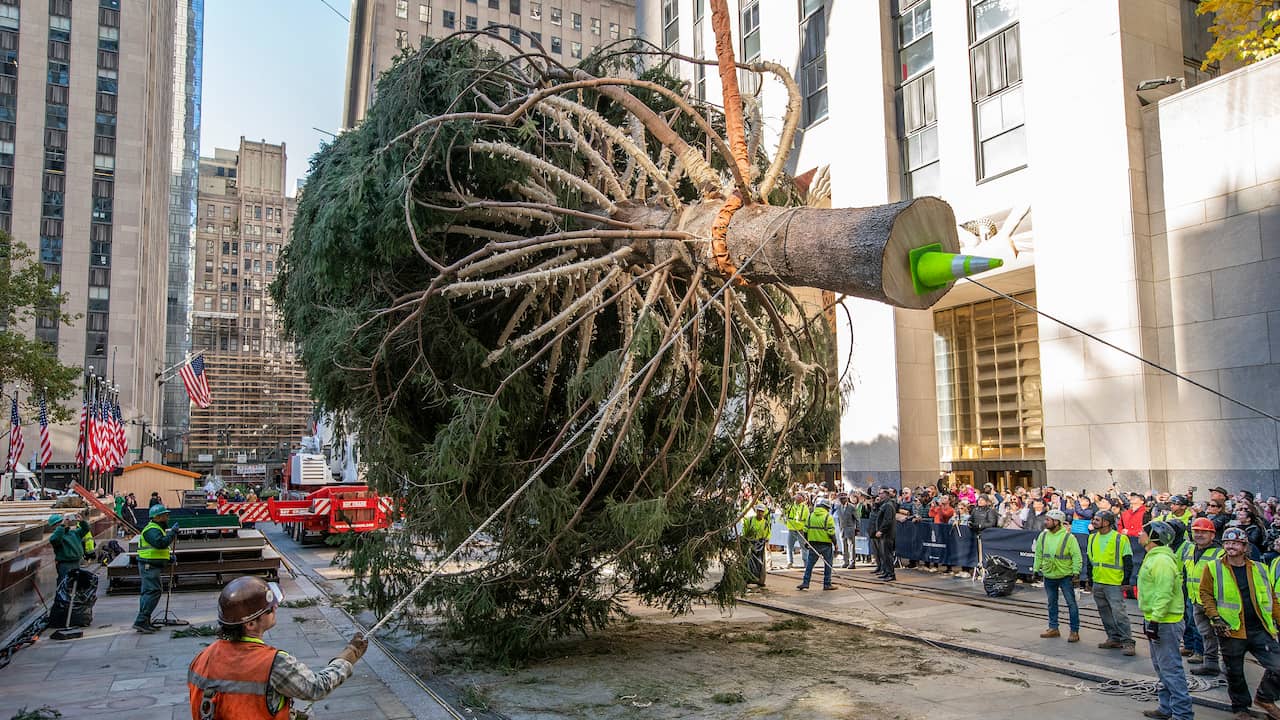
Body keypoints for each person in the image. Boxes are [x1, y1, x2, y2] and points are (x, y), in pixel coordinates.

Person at [188, 576, 367, 719]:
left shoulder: (202, 658)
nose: (275, 607)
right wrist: (349, 656)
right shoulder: (272, 663)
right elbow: (316, 687)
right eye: (270, 608)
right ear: (250, 624)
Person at [1200, 527, 1280, 719]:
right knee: (1234, 672)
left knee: (1278, 665)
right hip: (1231, 629)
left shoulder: (1260, 568)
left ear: (1245, 547)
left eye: (1235, 543)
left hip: (1259, 628)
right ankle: (1241, 708)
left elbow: (1271, 598)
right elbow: (1206, 594)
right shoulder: (1213, 568)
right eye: (1227, 543)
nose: (1230, 546)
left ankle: (1264, 697)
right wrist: (1215, 617)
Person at [1136, 520, 1195, 720]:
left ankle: (1183, 714)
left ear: (1154, 537)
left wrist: (1155, 620)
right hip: (1157, 618)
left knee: (1170, 669)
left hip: (1164, 621)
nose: (1139, 534)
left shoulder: (1161, 560)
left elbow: (1164, 592)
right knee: (1161, 667)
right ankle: (1166, 707)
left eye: (1143, 532)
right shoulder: (1154, 557)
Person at [1086, 510, 1136, 655]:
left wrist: (1126, 581)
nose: (1093, 522)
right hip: (1098, 580)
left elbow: (1128, 561)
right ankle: (1113, 637)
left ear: (1106, 522)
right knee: (1104, 612)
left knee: (1119, 613)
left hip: (1114, 582)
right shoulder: (1092, 538)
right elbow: (1090, 561)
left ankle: (1127, 641)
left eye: (1097, 519)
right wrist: (1090, 580)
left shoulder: (1120, 539)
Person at [1033, 509, 1082, 643]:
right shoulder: (1043, 536)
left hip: (1065, 575)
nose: (1045, 522)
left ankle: (1074, 631)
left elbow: (1076, 556)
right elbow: (1038, 554)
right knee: (1051, 603)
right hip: (1049, 574)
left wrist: (1076, 572)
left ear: (1057, 522)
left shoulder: (1068, 537)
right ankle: (1053, 628)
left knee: (1071, 604)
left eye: (1048, 520)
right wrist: (1036, 569)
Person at [1186, 517, 1225, 675]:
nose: (1199, 535)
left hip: (1215, 602)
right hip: (1196, 600)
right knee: (1206, 634)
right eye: (1196, 531)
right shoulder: (1190, 549)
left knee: (1223, 635)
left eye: (1204, 532)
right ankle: (1211, 663)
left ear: (1212, 535)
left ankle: (1228, 666)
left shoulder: (1220, 553)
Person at [134, 504, 180, 633]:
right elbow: (160, 543)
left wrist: (167, 558)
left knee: (149, 592)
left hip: (151, 564)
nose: (167, 517)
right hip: (149, 565)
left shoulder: (156, 528)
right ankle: (141, 621)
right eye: (165, 515)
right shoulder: (152, 529)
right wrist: (172, 533)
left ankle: (145, 621)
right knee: (152, 592)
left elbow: (158, 548)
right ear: (157, 517)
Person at [797, 498, 836, 591]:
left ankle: (805, 582)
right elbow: (831, 532)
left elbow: (805, 530)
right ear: (826, 507)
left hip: (813, 544)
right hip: (826, 544)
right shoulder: (828, 517)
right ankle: (827, 584)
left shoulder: (811, 516)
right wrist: (835, 543)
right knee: (828, 564)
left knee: (810, 564)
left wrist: (806, 541)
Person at [48, 513, 90, 585]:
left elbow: (86, 529)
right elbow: (55, 539)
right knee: (65, 584)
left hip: (76, 562)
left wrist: (82, 522)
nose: (64, 523)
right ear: (54, 526)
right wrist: (62, 526)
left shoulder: (74, 533)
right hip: (65, 564)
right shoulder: (56, 537)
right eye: (59, 523)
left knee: (75, 584)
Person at [742, 504, 771, 586]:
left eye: (762, 512)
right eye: (758, 511)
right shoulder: (750, 520)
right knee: (749, 562)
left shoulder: (765, 523)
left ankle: (759, 580)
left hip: (760, 545)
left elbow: (768, 534)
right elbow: (745, 532)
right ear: (756, 511)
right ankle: (747, 578)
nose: (760, 513)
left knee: (760, 563)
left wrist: (766, 543)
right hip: (751, 543)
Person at [873, 487, 897, 581]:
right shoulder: (884, 504)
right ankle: (886, 572)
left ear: (886, 494)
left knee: (887, 555)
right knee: (884, 554)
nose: (879, 495)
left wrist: (881, 530)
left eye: (881, 493)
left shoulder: (888, 505)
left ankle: (891, 574)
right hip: (885, 534)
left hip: (888, 534)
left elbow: (887, 520)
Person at [833, 493, 860, 569]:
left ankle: (852, 562)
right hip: (842, 529)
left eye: (843, 499)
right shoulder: (838, 507)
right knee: (844, 546)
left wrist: (857, 529)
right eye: (840, 499)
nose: (842, 500)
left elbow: (857, 519)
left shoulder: (851, 507)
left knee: (851, 546)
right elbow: (838, 519)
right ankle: (846, 561)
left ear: (846, 499)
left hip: (850, 529)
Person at [783, 493, 809, 569]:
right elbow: (784, 512)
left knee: (803, 547)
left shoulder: (805, 508)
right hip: (791, 529)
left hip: (801, 530)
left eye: (800, 496)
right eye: (797, 496)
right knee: (789, 547)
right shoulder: (790, 506)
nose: (798, 497)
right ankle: (789, 562)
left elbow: (807, 519)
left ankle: (806, 562)